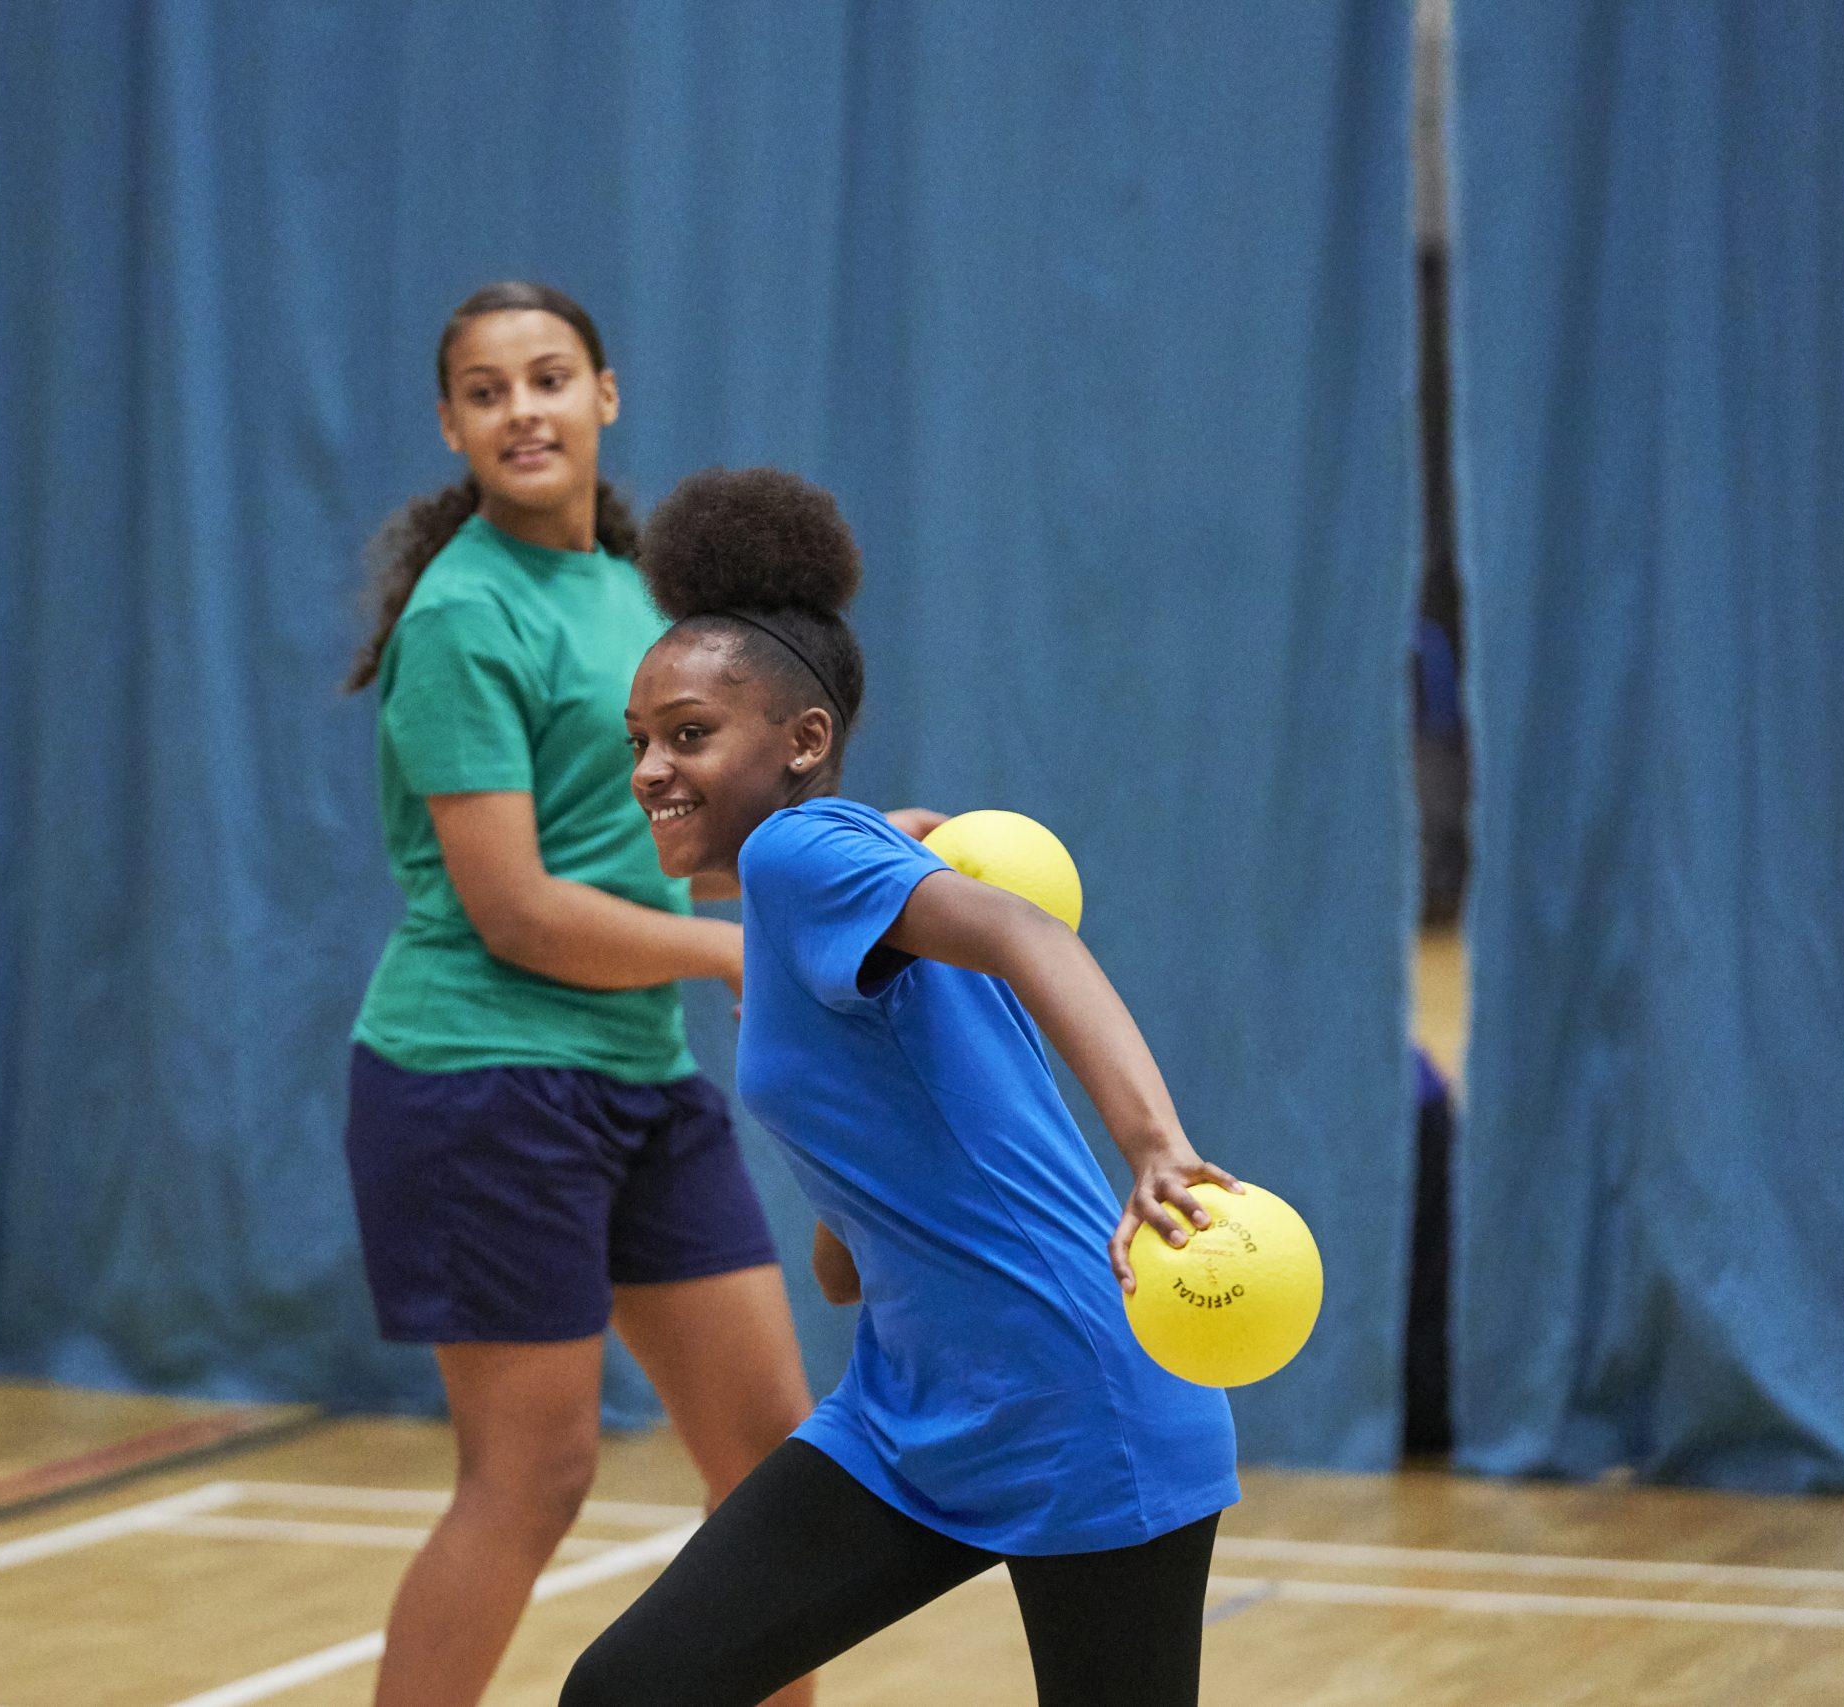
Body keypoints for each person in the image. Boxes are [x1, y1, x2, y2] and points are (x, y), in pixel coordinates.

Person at [563, 468, 1243, 1707]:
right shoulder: (847, 874)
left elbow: (1035, 938)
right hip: (911, 1417)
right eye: (641, 742)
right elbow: (854, 1239)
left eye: (690, 735)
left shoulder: (800, 851)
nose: (651, 769)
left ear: (802, 743)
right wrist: (856, 1218)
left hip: (1077, 1404)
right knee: (631, 1690)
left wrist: (1154, 1145)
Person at [342, 287, 817, 1707]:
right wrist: (743, 955)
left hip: (636, 1073)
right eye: (487, 391)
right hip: (479, 1080)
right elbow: (523, 910)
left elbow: (668, 858)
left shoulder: (638, 601)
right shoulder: (463, 614)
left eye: (548, 378)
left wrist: (853, 866)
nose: (522, 410)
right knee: (535, 1471)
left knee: (780, 1470)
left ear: (606, 395)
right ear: (452, 426)